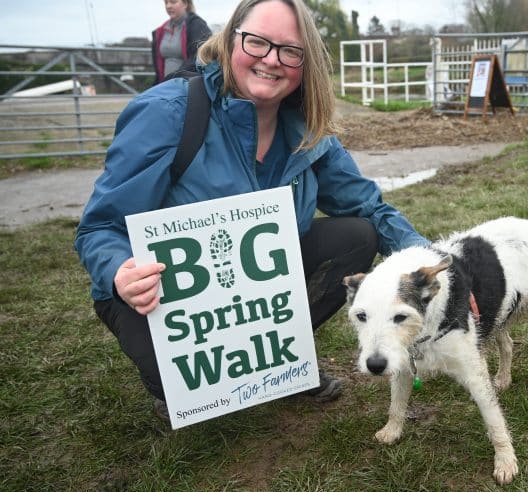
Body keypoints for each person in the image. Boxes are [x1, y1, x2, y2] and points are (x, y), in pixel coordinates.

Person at [75, 0, 429, 420]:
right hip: (158, 295)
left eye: (289, 51)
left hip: (251, 292)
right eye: (257, 42)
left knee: (357, 236)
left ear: (305, 63)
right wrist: (119, 272)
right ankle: (184, 380)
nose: (270, 60)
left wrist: (432, 261)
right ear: (230, 39)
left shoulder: (306, 128)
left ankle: (279, 357)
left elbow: (368, 206)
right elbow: (99, 227)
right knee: (177, 386)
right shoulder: (168, 112)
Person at [151, 0, 212, 83]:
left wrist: (173, 78)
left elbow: (199, 58)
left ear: (185, 4)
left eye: (173, 2)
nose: (168, 6)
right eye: (166, 2)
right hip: (164, 85)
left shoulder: (197, 25)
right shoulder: (161, 31)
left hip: (188, 84)